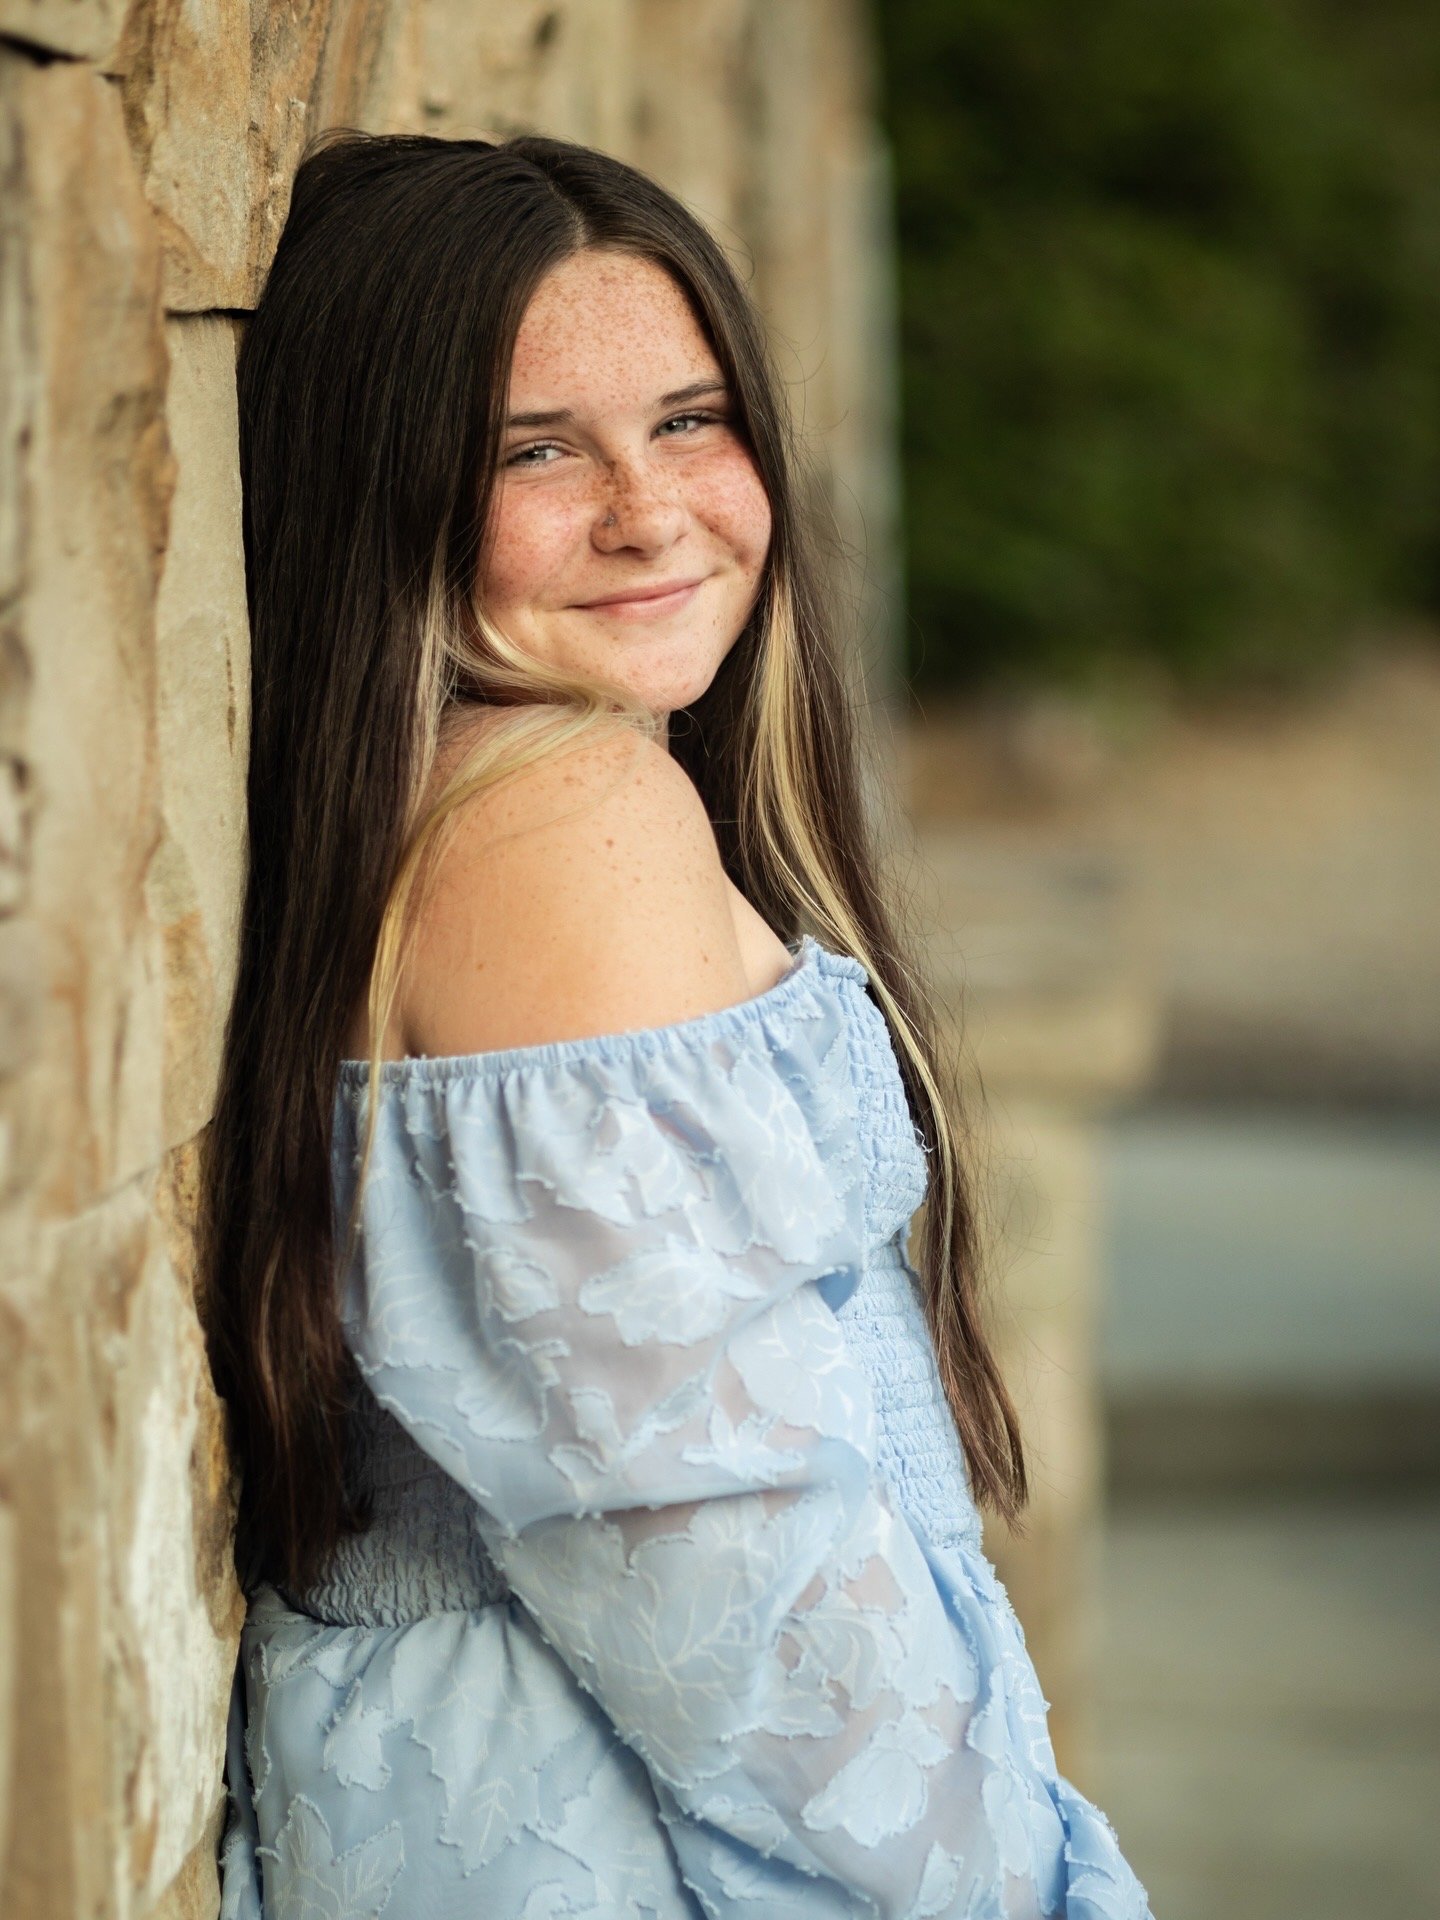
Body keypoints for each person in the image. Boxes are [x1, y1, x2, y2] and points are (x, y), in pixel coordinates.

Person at [206, 128, 1151, 1920]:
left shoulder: (487, 793)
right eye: (536, 452)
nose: (650, 511)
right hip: (662, 1838)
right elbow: (710, 1547)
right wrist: (1005, 1885)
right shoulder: (562, 818)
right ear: (380, 486)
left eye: (692, 421)